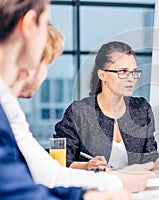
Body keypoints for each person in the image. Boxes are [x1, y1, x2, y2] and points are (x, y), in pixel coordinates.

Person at [0, 1, 133, 199]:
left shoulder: (139, 110)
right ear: (28, 25)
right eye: (45, 24)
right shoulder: (79, 112)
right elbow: (21, 189)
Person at [54, 41, 159, 171]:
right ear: (102, 75)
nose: (131, 78)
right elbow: (61, 160)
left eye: (134, 72)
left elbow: (149, 160)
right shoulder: (80, 112)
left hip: (136, 189)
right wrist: (87, 166)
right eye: (123, 71)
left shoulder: (141, 109)